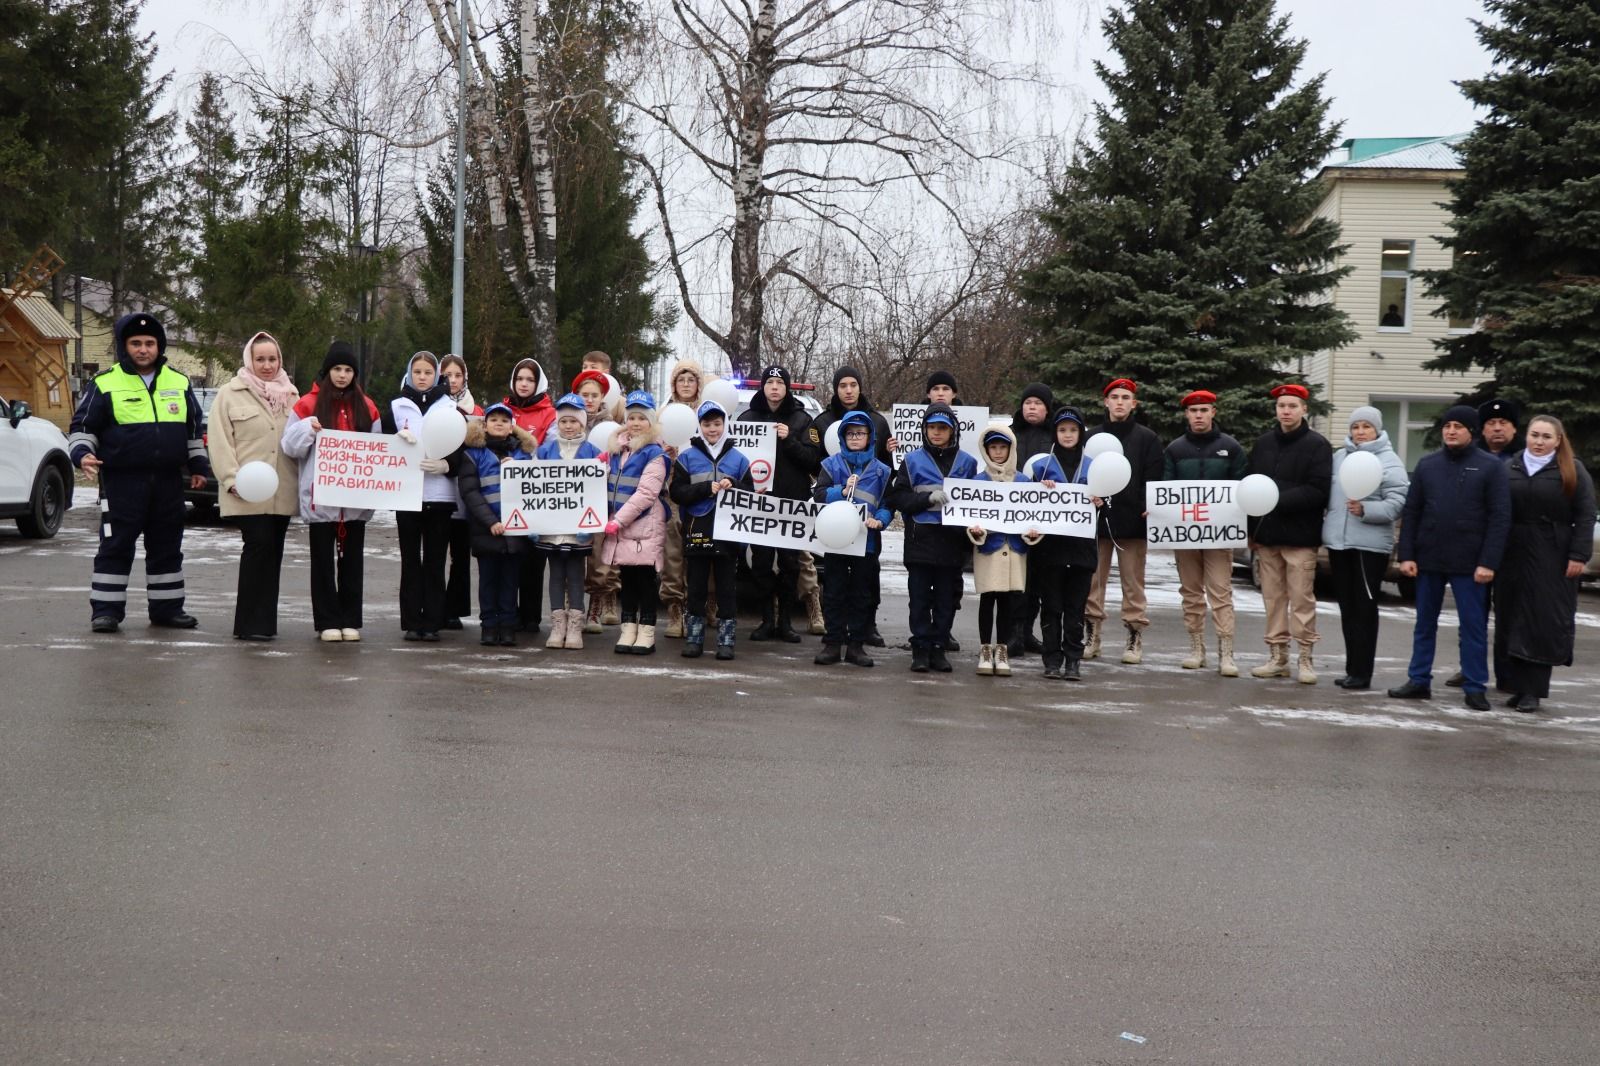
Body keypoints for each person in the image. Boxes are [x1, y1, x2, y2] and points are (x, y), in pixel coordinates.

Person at [67, 312, 210, 633]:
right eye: (135, 343)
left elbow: (192, 432)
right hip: (122, 482)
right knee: (116, 547)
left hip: (168, 482)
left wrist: (198, 467)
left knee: (167, 548)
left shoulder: (179, 381)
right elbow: (83, 427)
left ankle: (168, 610)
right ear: (124, 346)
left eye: (149, 343)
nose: (143, 349)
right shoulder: (104, 383)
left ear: (159, 346)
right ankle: (105, 611)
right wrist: (83, 454)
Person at [1388, 405, 1511, 711]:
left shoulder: (1490, 467)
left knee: (1473, 627)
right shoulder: (1428, 465)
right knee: (1424, 623)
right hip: (1429, 557)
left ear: (1472, 431)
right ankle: (1418, 680)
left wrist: (1488, 562)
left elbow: (1500, 517)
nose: (1451, 431)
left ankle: (1474, 686)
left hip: (1471, 563)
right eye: (1447, 426)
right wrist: (1407, 554)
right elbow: (1412, 512)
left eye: (1458, 426)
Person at [1494, 415, 1595, 712]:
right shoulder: (1509, 466)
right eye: (1534, 435)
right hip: (1512, 551)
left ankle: (1533, 690)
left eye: (1546, 437)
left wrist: (1578, 555)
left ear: (1558, 440)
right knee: (1510, 615)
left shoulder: (1572, 469)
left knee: (1541, 620)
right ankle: (1515, 684)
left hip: (1552, 551)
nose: (1539, 442)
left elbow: (1586, 515)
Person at [280, 342, 380, 641]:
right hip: (320, 500)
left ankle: (350, 619)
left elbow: (376, 452)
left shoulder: (368, 406)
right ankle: (326, 621)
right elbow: (289, 446)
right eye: (337, 369)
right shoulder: (307, 405)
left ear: (355, 374)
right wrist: (307, 429)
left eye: (348, 370)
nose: (342, 375)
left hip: (354, 502)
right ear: (327, 371)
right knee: (322, 565)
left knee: (353, 563)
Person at [205, 331, 300, 641]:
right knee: (257, 546)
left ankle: (265, 623)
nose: (267, 365)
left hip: (282, 491)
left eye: (272, 359)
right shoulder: (229, 394)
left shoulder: (291, 395)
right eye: (260, 359)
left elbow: (299, 442)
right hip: (246, 491)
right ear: (250, 360)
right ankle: (248, 623)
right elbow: (220, 441)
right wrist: (231, 479)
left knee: (274, 552)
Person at [1247, 383, 1332, 684]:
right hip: (1267, 536)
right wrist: (1250, 530)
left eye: (1292, 406)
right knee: (1273, 598)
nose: (1286, 411)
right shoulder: (1264, 443)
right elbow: (1251, 485)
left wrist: (1278, 501)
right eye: (1282, 406)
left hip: (1301, 537)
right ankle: (1277, 656)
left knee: (1301, 599)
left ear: (1304, 409)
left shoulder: (1317, 445)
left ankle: (1306, 658)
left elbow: (1319, 490)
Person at [1161, 390, 1248, 675]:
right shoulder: (1175, 449)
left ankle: (1226, 653)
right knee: (1190, 592)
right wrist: (1157, 509)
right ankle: (1196, 648)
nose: (1199, 415)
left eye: (1204, 410)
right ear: (1186, 414)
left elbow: (1241, 488)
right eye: (1193, 411)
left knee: (1221, 592)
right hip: (1185, 534)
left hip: (1220, 536)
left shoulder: (1231, 448)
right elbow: (1166, 488)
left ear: (1213, 412)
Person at [1322, 406, 1409, 690]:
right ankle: (1352, 668)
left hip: (1369, 547)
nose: (1360, 431)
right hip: (1339, 543)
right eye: (1356, 426)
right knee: (1347, 607)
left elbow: (1397, 503)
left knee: (1364, 608)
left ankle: (1363, 672)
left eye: (1366, 426)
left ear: (1377, 429)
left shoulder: (1389, 461)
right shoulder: (1338, 458)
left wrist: (1366, 509)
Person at [887, 403, 978, 672]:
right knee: (919, 599)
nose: (937, 432)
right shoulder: (912, 460)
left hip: (952, 543)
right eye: (932, 427)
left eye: (942, 428)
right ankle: (920, 649)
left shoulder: (968, 463)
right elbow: (899, 498)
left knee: (946, 600)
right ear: (924, 430)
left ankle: (939, 647)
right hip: (921, 541)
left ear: (953, 431)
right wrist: (926, 499)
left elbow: (978, 503)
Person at [738, 365, 823, 642]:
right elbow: (735, 462)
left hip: (790, 504)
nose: (774, 387)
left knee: (790, 565)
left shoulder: (801, 420)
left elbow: (814, 461)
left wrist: (789, 441)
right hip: (758, 504)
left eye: (779, 382)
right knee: (760, 564)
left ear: (787, 388)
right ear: (762, 388)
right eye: (770, 382)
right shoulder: (747, 418)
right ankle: (766, 619)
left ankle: (785, 622)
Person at [1083, 378, 1163, 665]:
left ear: (1133, 403)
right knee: (1093, 581)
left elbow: (1154, 478)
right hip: (1096, 521)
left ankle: (1134, 635)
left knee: (1133, 583)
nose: (1119, 402)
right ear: (1105, 402)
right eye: (1114, 397)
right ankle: (1092, 634)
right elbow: (1082, 475)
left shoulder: (1147, 439)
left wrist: (1146, 505)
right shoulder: (1091, 437)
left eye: (1125, 397)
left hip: (1133, 524)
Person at [382, 351, 461, 641]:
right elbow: (381, 446)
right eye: (418, 372)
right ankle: (413, 621)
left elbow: (461, 449)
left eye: (428, 372)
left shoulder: (450, 407)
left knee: (435, 560)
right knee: (410, 560)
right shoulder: (396, 406)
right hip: (407, 495)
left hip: (440, 495)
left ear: (437, 375)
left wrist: (447, 465)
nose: (423, 377)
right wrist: (396, 444)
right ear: (410, 374)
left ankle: (433, 622)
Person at [670, 400, 753, 660]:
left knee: (727, 587)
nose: (712, 429)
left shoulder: (739, 459)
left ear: (725, 424)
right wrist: (706, 489)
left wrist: (735, 484)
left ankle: (726, 641)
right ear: (700, 426)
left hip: (729, 533)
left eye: (717, 423)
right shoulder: (686, 457)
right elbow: (677, 493)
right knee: (696, 586)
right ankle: (694, 638)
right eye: (707, 424)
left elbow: (750, 495)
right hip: (698, 528)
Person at [811, 410, 892, 667]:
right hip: (835, 542)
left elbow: (888, 503)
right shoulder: (831, 464)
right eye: (850, 433)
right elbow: (820, 494)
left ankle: (856, 645)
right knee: (834, 593)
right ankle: (833, 643)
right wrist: (841, 490)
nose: (855, 437)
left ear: (870, 437)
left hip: (866, 542)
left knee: (860, 594)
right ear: (842, 436)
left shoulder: (882, 470)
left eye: (860, 433)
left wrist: (881, 519)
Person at [454, 403, 534, 647]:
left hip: (515, 531)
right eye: (494, 419)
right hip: (485, 530)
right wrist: (491, 522)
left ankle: (508, 626)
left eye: (504, 420)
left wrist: (519, 468)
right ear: (485, 424)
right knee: (488, 581)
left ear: (512, 427)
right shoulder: (473, 454)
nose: (499, 423)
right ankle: (488, 626)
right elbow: (470, 493)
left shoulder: (524, 455)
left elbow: (534, 491)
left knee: (510, 582)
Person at [965, 426, 1041, 676]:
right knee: (988, 600)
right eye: (993, 447)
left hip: (1015, 550)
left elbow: (1033, 517)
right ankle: (985, 649)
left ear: (1011, 449)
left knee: (1009, 603)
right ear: (985, 450)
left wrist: (1032, 533)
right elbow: (970, 515)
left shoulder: (1022, 481)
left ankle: (1002, 649)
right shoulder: (978, 482)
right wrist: (975, 532)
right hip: (989, 549)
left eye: (1002, 447)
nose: (998, 452)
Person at [602, 390, 672, 655]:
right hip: (621, 527)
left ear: (651, 422)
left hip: (643, 526)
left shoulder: (654, 453)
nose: (635, 423)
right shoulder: (616, 451)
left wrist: (617, 520)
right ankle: (627, 627)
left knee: (645, 579)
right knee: (627, 578)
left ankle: (647, 630)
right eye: (632, 417)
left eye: (642, 418)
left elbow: (646, 494)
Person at [1031, 407, 1097, 680]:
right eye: (1062, 430)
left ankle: (1073, 660)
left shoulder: (1095, 466)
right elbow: (1027, 507)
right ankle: (1051, 659)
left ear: (1080, 433)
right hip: (1050, 552)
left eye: (1073, 430)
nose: (1068, 435)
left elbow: (1109, 510)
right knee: (1052, 607)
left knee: (1075, 609)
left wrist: (1100, 503)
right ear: (1055, 434)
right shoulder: (1041, 467)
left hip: (1082, 552)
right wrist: (1039, 490)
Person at [535, 393, 602, 650]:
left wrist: (591, 527)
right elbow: (532, 488)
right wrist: (533, 524)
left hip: (578, 529)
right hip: (551, 527)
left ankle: (575, 624)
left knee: (575, 574)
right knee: (555, 575)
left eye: (574, 421)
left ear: (583, 423)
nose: (568, 426)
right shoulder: (545, 451)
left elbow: (598, 492)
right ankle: (557, 624)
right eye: (563, 421)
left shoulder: (594, 453)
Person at [501, 358, 556, 635]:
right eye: (520, 378)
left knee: (535, 558)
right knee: (511, 557)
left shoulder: (549, 414)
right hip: (507, 495)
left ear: (538, 383)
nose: (524, 384)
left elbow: (550, 451)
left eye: (530, 380)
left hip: (536, 493)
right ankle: (508, 613)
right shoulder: (502, 409)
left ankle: (531, 616)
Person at [1008, 382, 1056, 656]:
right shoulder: (1011, 434)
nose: (1032, 408)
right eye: (1028, 403)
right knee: (1017, 580)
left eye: (1037, 403)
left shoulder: (1055, 435)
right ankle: (1014, 632)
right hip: (1014, 518)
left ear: (1047, 408)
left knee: (1037, 580)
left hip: (1044, 519)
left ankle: (1028, 632)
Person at [573, 368, 622, 630]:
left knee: (599, 555)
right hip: (572, 499)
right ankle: (572, 606)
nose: (589, 400)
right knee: (571, 553)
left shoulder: (612, 426)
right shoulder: (568, 421)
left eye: (594, 395)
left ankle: (595, 607)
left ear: (602, 396)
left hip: (602, 498)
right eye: (584, 395)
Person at [659, 358, 704, 638]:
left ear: (698, 384)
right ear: (674, 384)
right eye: (681, 380)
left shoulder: (710, 413)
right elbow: (649, 452)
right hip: (671, 493)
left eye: (691, 380)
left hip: (702, 494)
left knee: (702, 552)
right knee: (673, 554)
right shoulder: (664, 414)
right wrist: (667, 454)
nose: (686, 385)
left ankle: (703, 606)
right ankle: (675, 608)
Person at [438, 354, 482, 632]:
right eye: (447, 376)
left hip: (464, 492)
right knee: (435, 553)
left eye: (457, 375)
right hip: (438, 489)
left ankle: (454, 608)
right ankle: (433, 604)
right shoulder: (433, 407)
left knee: (460, 554)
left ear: (465, 377)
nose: (452, 381)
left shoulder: (475, 409)